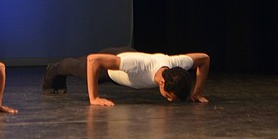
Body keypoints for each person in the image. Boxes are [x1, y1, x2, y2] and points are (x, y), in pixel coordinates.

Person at [41, 46, 210, 106]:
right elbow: (94, 59)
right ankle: (52, 71)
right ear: (162, 82)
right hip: (110, 67)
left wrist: (197, 92)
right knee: (75, 66)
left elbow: (204, 59)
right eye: (169, 96)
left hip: (129, 58)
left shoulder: (175, 64)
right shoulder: (138, 67)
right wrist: (94, 97)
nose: (170, 100)